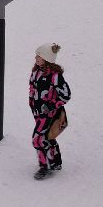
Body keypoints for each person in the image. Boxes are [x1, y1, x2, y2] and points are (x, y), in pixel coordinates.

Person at [28, 43, 70, 179]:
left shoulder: (55, 76)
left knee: (37, 140)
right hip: (38, 113)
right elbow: (32, 89)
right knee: (47, 138)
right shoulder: (36, 72)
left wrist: (51, 106)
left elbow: (66, 95)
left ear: (46, 58)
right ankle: (56, 161)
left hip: (50, 114)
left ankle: (45, 166)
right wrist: (32, 103)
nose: (36, 58)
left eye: (39, 56)